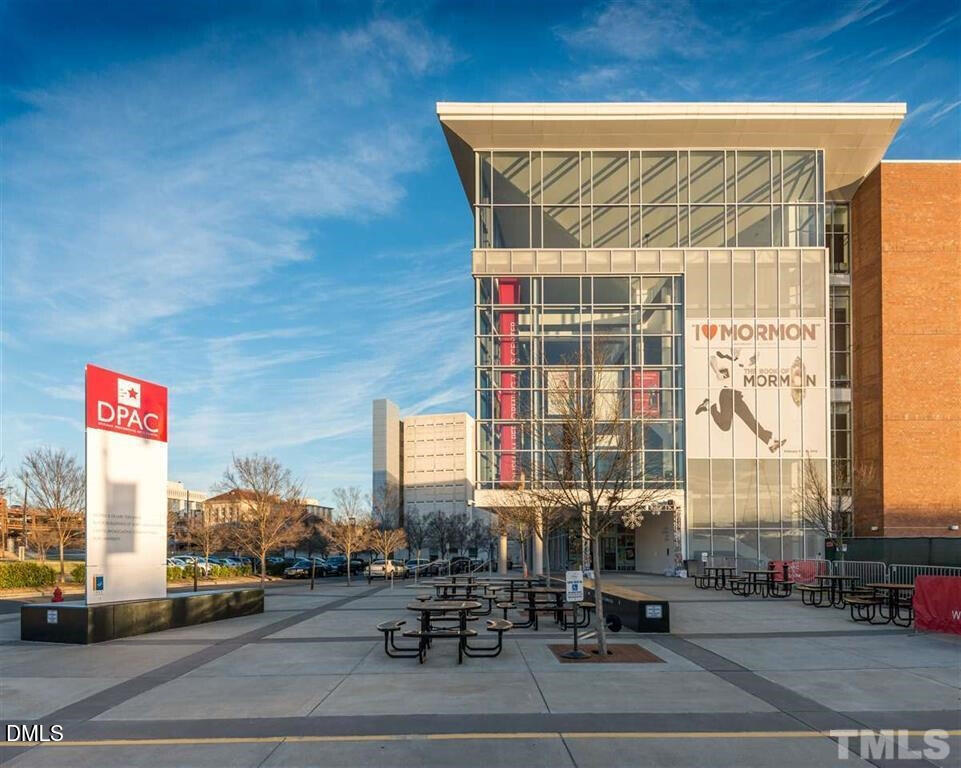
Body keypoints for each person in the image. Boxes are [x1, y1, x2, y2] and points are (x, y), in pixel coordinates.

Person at [694, 350, 785, 453]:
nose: (738, 352)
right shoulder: (725, 358)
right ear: (731, 350)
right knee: (726, 426)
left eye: (739, 350)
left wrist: (757, 355)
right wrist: (717, 372)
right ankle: (709, 405)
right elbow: (712, 358)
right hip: (726, 394)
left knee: (750, 420)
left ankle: (770, 443)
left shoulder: (740, 362)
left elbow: (752, 361)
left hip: (737, 396)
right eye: (736, 350)